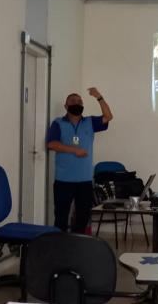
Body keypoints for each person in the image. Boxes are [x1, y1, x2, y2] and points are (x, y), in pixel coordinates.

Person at [46, 88, 113, 232]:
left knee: (83, 217)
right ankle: (60, 246)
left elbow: (108, 116)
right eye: (73, 101)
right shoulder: (58, 123)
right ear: (66, 106)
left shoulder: (90, 122)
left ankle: (77, 246)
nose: (77, 103)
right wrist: (74, 150)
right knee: (61, 217)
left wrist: (99, 97)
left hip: (85, 180)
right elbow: (51, 144)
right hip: (63, 180)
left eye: (79, 101)